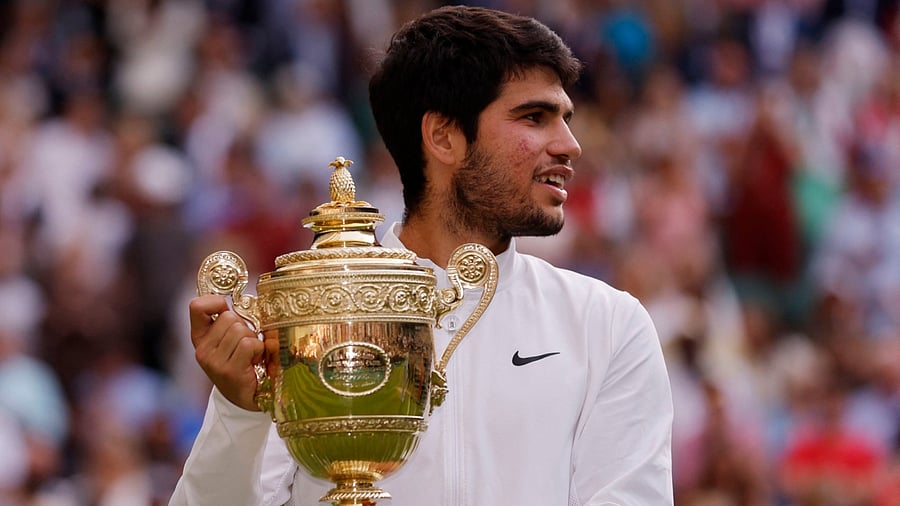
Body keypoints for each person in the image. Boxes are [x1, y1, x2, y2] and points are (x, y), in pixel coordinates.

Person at [170, 5, 673, 505]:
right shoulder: (307, 319)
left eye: (566, 118)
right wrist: (240, 412)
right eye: (535, 117)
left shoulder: (607, 326)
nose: (570, 145)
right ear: (444, 137)